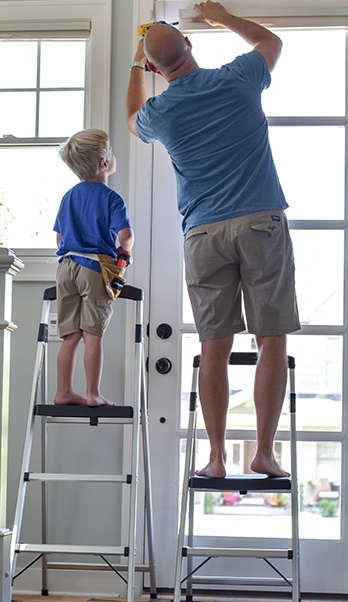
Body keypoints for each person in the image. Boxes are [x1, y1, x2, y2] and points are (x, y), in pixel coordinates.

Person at [126, 1, 299, 478]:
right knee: (271, 342)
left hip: (202, 233)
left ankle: (217, 458)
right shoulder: (236, 78)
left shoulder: (160, 112)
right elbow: (272, 43)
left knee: (215, 347)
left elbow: (132, 115)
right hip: (260, 222)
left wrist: (137, 65)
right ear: (190, 44)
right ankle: (263, 453)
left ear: (157, 69)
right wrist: (221, 15)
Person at [53, 129, 135, 407]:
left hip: (66, 268)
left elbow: (59, 238)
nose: (114, 155)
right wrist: (125, 251)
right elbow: (125, 237)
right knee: (93, 334)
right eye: (111, 151)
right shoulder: (111, 198)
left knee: (70, 335)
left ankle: (63, 390)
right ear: (103, 163)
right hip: (94, 268)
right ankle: (93, 394)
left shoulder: (68, 197)